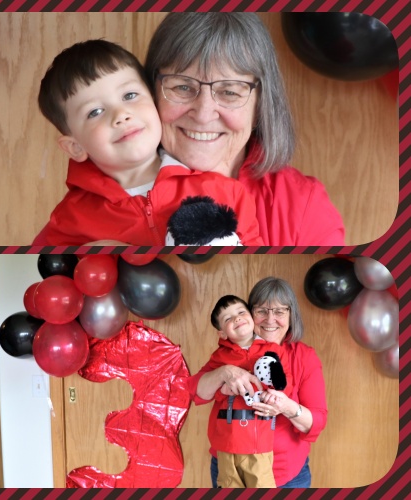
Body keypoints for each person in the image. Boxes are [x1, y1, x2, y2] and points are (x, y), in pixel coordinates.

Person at [32, 39, 263, 246]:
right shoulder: (69, 221)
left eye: (130, 96)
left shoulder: (225, 192)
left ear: (154, 100)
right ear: (75, 147)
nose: (121, 115)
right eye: (95, 112)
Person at [144, 13, 345, 246]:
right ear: (151, 91)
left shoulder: (304, 208)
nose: (203, 114)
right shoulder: (110, 193)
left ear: (260, 105)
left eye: (229, 92)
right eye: (182, 87)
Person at [188, 277, 328, 487]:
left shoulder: (304, 356)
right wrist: (224, 372)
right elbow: (195, 391)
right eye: (262, 310)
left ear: (291, 316)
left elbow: (316, 422)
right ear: (251, 314)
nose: (270, 319)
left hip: (284, 473)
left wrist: (285, 406)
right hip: (229, 463)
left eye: (279, 311)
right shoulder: (227, 353)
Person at [201, 294, 292, 488]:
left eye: (241, 312)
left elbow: (285, 385)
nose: (237, 318)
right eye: (228, 318)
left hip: (258, 445)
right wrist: (223, 390)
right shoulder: (218, 358)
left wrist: (272, 396)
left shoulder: (274, 351)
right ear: (222, 333)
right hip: (226, 444)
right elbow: (208, 391)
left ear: (251, 317)